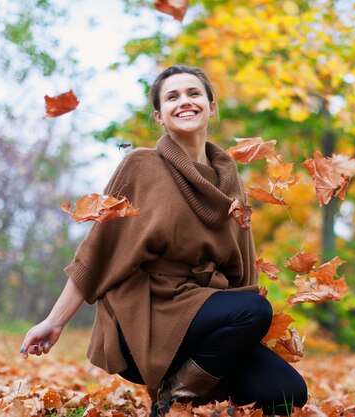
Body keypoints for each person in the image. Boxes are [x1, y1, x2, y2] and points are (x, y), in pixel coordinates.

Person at [20, 65, 308, 416]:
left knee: (288, 391)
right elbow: (97, 253)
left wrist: (243, 338)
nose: (184, 101)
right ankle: (172, 401)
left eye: (193, 93)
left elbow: (243, 271)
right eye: (172, 97)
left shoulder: (231, 182)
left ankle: (189, 394)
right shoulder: (142, 166)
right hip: (146, 315)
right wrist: (54, 321)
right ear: (159, 115)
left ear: (211, 106)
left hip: (208, 317)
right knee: (255, 310)